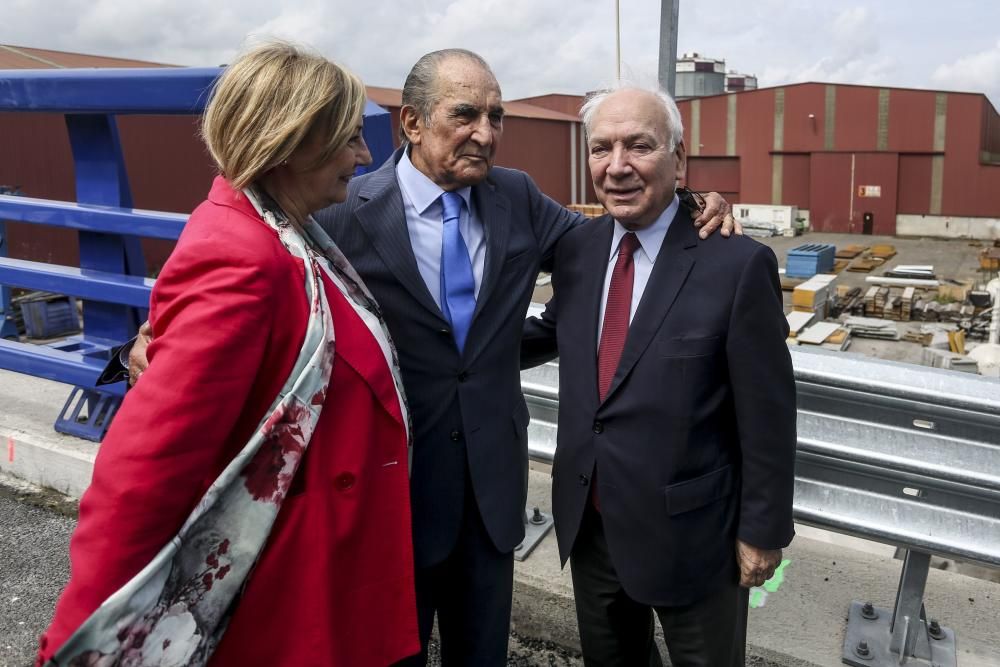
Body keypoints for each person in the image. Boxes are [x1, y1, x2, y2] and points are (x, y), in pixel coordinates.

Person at [127, 48, 738, 665]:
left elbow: (607, 246)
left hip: (491, 493)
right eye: (466, 114)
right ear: (412, 124)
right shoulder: (342, 208)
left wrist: (685, 204)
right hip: (390, 490)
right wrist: (150, 336)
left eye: (496, 117)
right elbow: (241, 276)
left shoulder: (517, 197)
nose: (486, 133)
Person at [37, 42, 419, 667]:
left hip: (325, 572)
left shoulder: (289, 236)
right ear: (294, 142)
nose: (366, 156)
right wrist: (78, 647)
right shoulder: (244, 257)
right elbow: (143, 475)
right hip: (285, 605)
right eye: (350, 138)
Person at [521, 84, 797, 666]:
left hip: (695, 537)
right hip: (591, 525)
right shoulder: (578, 249)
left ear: (678, 157)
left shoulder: (736, 263)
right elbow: (549, 332)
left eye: (639, 147)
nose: (617, 167)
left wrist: (763, 530)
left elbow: (768, 413)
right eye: (602, 149)